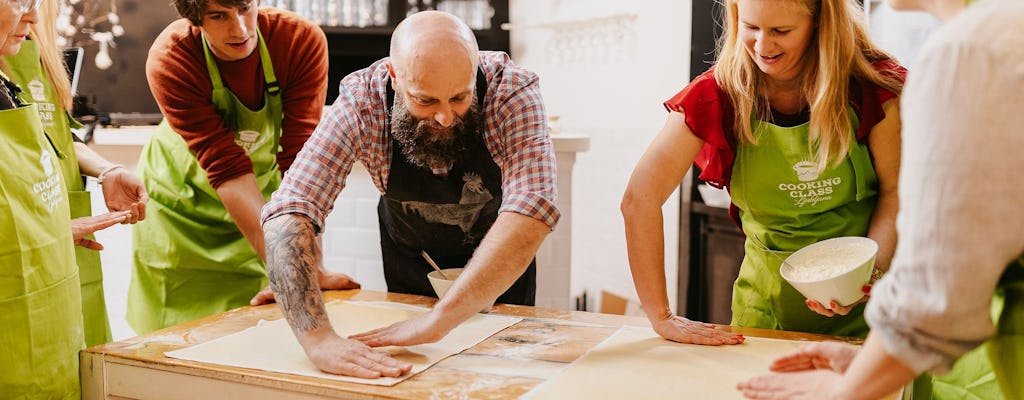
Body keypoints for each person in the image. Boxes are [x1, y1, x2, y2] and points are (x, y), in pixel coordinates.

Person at [737, 0, 1024, 398]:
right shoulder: (1002, 32)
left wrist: (842, 391)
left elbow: (937, 293)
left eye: (781, 31)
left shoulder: (968, 52)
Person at [260, 10, 558, 377]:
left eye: (460, 98)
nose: (446, 117)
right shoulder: (363, 101)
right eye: (426, 101)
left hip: (500, 274)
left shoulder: (510, 89)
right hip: (411, 268)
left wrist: (441, 319)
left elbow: (533, 207)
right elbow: (289, 211)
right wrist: (318, 339)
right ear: (394, 78)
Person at [621, 0, 905, 346]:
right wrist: (661, 316)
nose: (763, 46)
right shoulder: (717, 94)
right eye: (750, 27)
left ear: (819, 23)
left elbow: (895, 193)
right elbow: (640, 198)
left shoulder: (870, 86)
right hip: (764, 316)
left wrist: (869, 277)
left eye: (781, 31)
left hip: (869, 317)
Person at [127, 0, 350, 333]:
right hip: (179, 213)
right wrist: (289, 267)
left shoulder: (298, 40)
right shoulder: (173, 57)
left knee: (254, 334)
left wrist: (307, 265)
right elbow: (226, 168)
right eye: (219, 16)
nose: (240, 29)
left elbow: (301, 162)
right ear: (195, 19)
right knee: (175, 343)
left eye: (245, 8)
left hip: (256, 207)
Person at [2, 0, 147, 347]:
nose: (34, 15)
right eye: (22, 2)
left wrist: (107, 170)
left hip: (58, 233)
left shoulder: (34, 54)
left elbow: (52, 138)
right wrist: (47, 236)